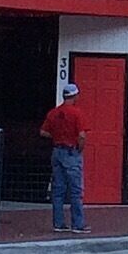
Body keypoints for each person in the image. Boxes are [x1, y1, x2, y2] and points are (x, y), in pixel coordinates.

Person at [40, 83, 89, 234]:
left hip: (57, 151)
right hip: (71, 151)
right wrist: (79, 148)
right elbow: (82, 135)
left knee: (58, 189)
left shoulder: (53, 113)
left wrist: (56, 136)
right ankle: (78, 224)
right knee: (75, 190)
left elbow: (43, 132)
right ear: (75, 96)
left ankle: (58, 223)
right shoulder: (77, 113)